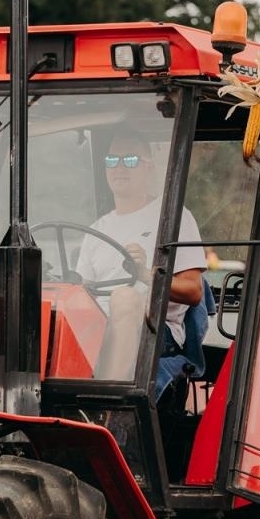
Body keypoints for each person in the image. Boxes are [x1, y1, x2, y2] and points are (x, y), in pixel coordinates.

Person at [72, 134, 207, 395]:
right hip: (99, 326)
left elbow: (194, 291)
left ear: (149, 167)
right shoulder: (96, 229)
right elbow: (83, 292)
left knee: (124, 297)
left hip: (155, 329)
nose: (120, 167)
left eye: (130, 160)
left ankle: (107, 402)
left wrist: (146, 275)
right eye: (112, 160)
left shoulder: (173, 218)